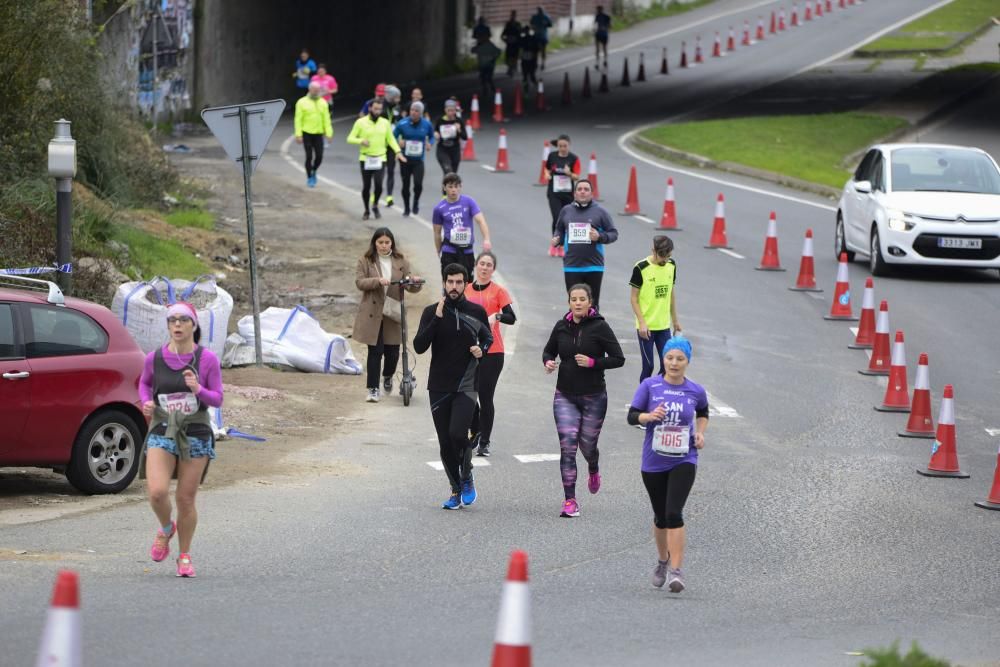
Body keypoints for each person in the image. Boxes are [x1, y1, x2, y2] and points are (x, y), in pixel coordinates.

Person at [140, 302, 224, 578]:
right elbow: (144, 382)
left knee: (185, 499)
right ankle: (166, 528)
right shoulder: (154, 358)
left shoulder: (207, 359)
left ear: (194, 325)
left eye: (183, 320)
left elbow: (217, 398)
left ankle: (184, 555)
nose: (177, 325)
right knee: (157, 492)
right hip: (163, 428)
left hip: (196, 432)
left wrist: (198, 388)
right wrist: (146, 402)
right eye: (172, 320)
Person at [626, 336, 708, 593]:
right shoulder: (650, 386)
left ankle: (677, 570)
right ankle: (662, 561)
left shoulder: (695, 390)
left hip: (684, 458)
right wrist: (648, 416)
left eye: (679, 359)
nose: (674, 363)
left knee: (674, 513)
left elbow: (704, 413)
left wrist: (700, 432)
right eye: (670, 358)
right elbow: (631, 416)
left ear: (687, 362)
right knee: (661, 517)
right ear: (664, 359)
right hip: (653, 461)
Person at [413, 263, 493, 510]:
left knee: (458, 434)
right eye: (450, 282)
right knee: (445, 442)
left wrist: (483, 350)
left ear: (465, 283)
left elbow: (488, 337)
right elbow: (418, 346)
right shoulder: (431, 312)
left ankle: (466, 475)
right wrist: (436, 320)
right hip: (438, 385)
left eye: (459, 282)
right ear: (444, 283)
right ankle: (455, 490)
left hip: (467, 384)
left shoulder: (476, 311)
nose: (454, 287)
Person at [543, 283, 624, 517]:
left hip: (594, 397)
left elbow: (619, 358)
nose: (577, 303)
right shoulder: (561, 327)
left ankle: (593, 466)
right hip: (564, 396)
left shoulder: (600, 327)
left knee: (587, 446)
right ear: (569, 302)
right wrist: (548, 362)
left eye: (582, 299)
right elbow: (549, 351)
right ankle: (570, 501)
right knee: (568, 447)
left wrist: (593, 363)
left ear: (590, 302)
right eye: (573, 299)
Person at [353, 228, 423, 402]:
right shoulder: (366, 260)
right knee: (375, 351)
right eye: (380, 242)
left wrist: (414, 282)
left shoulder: (400, 260)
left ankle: (388, 375)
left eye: (387, 242)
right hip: (373, 312)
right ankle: (373, 389)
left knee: (393, 352)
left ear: (392, 243)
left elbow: (408, 284)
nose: (384, 246)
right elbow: (359, 282)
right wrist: (377, 281)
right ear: (374, 243)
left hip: (393, 312)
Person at [465, 251, 516, 457]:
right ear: (476, 266)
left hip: (492, 352)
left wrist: (497, 315)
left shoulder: (499, 291)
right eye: (482, 264)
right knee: (467, 396)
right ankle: (475, 432)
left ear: (493, 269)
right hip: (468, 351)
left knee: (485, 397)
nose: (485, 268)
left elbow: (511, 318)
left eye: (489, 265)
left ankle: (484, 441)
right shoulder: (466, 289)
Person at [551, 179, 618, 310]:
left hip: (594, 266)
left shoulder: (600, 212)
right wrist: (557, 239)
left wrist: (599, 236)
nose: (582, 192)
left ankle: (591, 330)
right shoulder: (566, 210)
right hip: (571, 266)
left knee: (592, 306)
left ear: (592, 193)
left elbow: (613, 234)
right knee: (575, 306)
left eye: (586, 189)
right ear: (574, 193)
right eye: (579, 189)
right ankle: (575, 331)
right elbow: (559, 229)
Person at [630, 235, 681, 384]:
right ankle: (642, 400)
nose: (665, 260)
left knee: (667, 366)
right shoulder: (641, 268)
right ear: (654, 251)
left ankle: (656, 391)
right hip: (646, 327)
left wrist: (675, 321)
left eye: (668, 256)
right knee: (648, 366)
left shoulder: (671, 265)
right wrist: (642, 323)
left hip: (664, 326)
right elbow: (634, 298)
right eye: (662, 256)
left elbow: (671, 293)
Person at [346, 98, 406, 220]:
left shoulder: (385, 123)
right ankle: (366, 210)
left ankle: (374, 205)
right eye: (375, 109)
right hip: (365, 158)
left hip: (380, 158)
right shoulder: (360, 122)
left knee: (379, 185)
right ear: (370, 108)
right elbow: (350, 138)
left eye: (380, 109)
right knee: (366, 186)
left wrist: (398, 152)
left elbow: (390, 139)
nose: (378, 111)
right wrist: (361, 140)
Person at [432, 172, 492, 277]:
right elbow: (437, 233)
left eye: (456, 186)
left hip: (467, 250)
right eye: (450, 187)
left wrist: (486, 239)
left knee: (467, 283)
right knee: (449, 281)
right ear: (444, 188)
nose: (453, 190)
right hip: (449, 249)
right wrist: (438, 250)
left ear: (460, 187)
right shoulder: (439, 209)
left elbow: (481, 221)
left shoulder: (469, 202)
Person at [393, 102, 435, 217]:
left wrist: (429, 144)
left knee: (418, 184)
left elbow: (431, 137)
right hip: (405, 160)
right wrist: (398, 143)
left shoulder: (426, 124)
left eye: (416, 111)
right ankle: (406, 207)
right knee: (405, 185)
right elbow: (392, 137)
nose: (413, 112)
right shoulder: (402, 123)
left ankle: (416, 201)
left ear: (421, 113)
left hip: (418, 160)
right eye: (412, 110)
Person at [545, 135, 581, 257]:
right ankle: (554, 245)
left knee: (566, 220)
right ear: (557, 146)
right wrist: (547, 175)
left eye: (565, 146)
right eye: (560, 146)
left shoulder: (574, 158)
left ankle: (562, 246)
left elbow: (577, 176)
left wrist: (569, 173)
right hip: (553, 193)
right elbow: (546, 169)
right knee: (557, 217)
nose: (562, 148)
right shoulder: (552, 156)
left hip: (568, 194)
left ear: (568, 145)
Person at [294, 81, 334, 188]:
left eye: (318, 90)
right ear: (309, 89)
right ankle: (309, 177)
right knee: (309, 156)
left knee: (319, 156)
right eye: (314, 90)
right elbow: (298, 119)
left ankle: (314, 170)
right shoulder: (301, 102)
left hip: (318, 133)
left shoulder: (323, 103)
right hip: (306, 132)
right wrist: (298, 134)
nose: (316, 92)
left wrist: (329, 133)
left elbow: (326, 119)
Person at [434, 100, 467, 175]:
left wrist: (459, 130)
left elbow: (465, 137)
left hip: (455, 150)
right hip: (442, 149)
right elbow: (435, 131)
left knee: (452, 175)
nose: (450, 113)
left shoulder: (459, 121)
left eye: (453, 111)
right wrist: (436, 134)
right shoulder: (440, 120)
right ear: (445, 110)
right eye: (449, 110)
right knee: (448, 171)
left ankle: (445, 186)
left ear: (455, 110)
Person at [472, 36, 502, 101]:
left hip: (486, 64)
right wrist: (494, 58)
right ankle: (490, 89)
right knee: (486, 77)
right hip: (486, 64)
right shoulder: (484, 46)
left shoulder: (487, 45)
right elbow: (498, 51)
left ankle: (489, 89)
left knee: (486, 77)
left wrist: (494, 58)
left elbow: (473, 50)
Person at [501, 10, 522, 76]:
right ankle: (510, 68)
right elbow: (503, 34)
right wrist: (505, 40)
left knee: (515, 56)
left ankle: (513, 67)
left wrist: (520, 41)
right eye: (512, 15)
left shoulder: (518, 24)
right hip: (510, 43)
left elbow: (520, 33)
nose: (513, 16)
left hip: (516, 43)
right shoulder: (508, 24)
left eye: (514, 15)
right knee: (509, 56)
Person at [594, 5, 612, 70]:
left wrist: (604, 28)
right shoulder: (601, 16)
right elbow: (610, 26)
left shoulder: (603, 16)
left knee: (600, 49)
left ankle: (600, 62)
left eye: (598, 10)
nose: (597, 11)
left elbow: (610, 25)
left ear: (600, 10)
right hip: (601, 34)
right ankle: (602, 62)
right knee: (602, 48)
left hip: (601, 34)